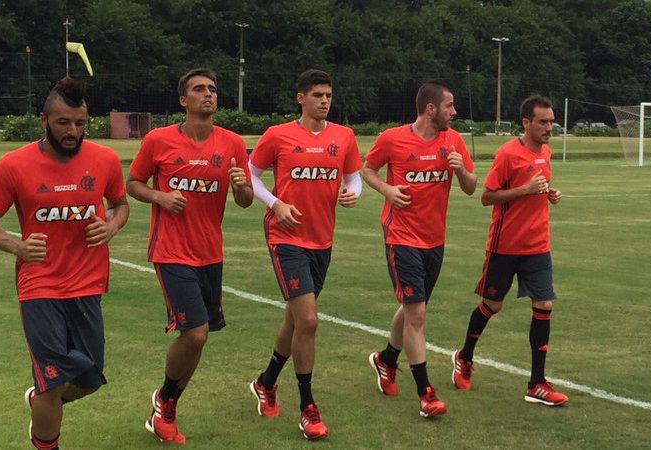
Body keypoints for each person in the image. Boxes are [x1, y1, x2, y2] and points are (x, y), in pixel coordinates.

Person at [0, 77, 129, 450]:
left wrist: (111, 226)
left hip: (88, 285)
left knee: (89, 378)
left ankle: (39, 402)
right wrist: (17, 247)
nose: (73, 131)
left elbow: (121, 204)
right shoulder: (14, 165)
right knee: (52, 382)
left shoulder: (105, 160)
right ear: (44, 120)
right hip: (40, 287)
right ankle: (45, 433)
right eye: (63, 122)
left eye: (80, 123)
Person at [127, 68, 253, 444]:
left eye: (213, 89)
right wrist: (160, 196)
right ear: (184, 100)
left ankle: (165, 402)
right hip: (171, 251)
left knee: (201, 337)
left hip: (210, 253)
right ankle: (166, 403)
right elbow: (132, 184)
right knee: (195, 334)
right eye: (199, 89)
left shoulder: (231, 143)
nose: (208, 94)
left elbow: (245, 202)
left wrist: (243, 188)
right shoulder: (158, 140)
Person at [246, 69, 362, 440]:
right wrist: (276, 204)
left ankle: (266, 382)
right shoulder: (278, 135)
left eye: (328, 94)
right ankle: (308, 407)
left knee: (296, 322)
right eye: (317, 95)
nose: (325, 101)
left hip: (321, 239)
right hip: (286, 236)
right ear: (301, 98)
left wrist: (352, 192)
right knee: (309, 321)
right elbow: (252, 174)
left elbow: (354, 176)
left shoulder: (343, 136)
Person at [363, 80, 477, 418]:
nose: (454, 112)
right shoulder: (393, 139)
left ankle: (386, 360)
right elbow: (367, 169)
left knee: (414, 307)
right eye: (449, 106)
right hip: (401, 237)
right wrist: (387, 190)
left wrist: (460, 172)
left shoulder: (452, 141)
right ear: (431, 109)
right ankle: (426, 393)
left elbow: (472, 187)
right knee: (417, 313)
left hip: (435, 240)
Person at [451, 95, 569, 407]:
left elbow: (536, 189)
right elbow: (487, 197)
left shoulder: (546, 152)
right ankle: (464, 358)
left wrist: (547, 194)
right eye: (542, 122)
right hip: (505, 246)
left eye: (551, 121)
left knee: (544, 304)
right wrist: (525, 190)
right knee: (492, 304)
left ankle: (537, 383)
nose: (549, 127)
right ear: (526, 123)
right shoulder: (507, 155)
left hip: (538, 246)